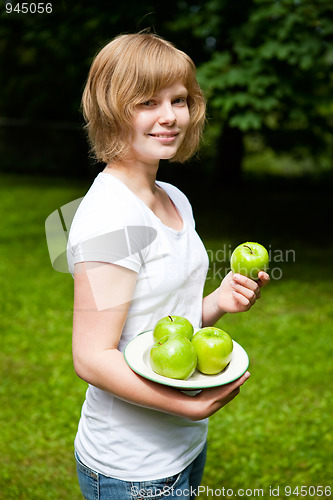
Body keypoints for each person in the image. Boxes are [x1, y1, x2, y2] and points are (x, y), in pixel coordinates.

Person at [67, 31, 270, 500]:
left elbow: (162, 325)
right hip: (131, 467)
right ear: (112, 108)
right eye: (147, 102)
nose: (170, 117)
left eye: (179, 100)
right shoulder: (110, 219)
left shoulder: (173, 197)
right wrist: (188, 407)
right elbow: (91, 357)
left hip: (181, 449)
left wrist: (217, 302)